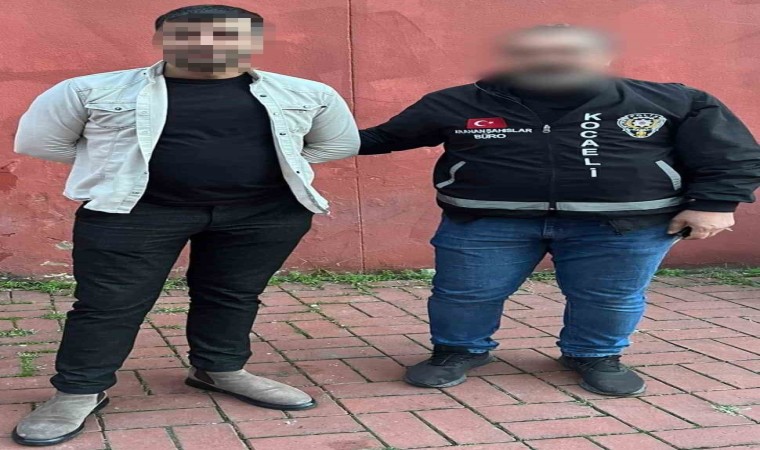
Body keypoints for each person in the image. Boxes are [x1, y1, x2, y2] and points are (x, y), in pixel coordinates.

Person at [12, 5, 359, 446]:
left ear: (253, 42)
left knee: (233, 294)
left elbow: (338, 143)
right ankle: (77, 392)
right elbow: (41, 141)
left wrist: (276, 165)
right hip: (135, 213)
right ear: (160, 40)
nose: (207, 44)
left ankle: (220, 369)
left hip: (264, 213)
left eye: (227, 36)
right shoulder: (88, 90)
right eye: (188, 34)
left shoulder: (307, 92)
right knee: (109, 304)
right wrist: (117, 169)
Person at [360, 25, 760, 396]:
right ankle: (457, 351)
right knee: (464, 294)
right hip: (486, 220)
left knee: (610, 297)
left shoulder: (673, 101)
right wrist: (320, 130)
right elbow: (383, 137)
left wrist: (715, 204)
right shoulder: (456, 102)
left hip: (623, 225)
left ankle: (594, 356)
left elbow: (730, 154)